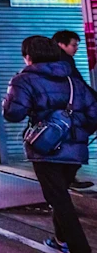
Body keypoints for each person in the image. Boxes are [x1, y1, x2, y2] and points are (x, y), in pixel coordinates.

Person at [3, 35, 97, 253]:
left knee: (59, 200)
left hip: (46, 150)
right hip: (76, 150)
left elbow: (13, 114)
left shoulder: (24, 80)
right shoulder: (72, 78)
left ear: (29, 56)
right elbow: (93, 113)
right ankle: (60, 240)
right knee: (60, 195)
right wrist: (73, 131)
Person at [53, 30, 94, 191]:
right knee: (75, 141)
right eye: (74, 45)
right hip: (69, 111)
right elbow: (78, 84)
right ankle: (67, 178)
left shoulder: (55, 60)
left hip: (61, 112)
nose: (76, 48)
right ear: (61, 45)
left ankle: (67, 178)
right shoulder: (63, 62)